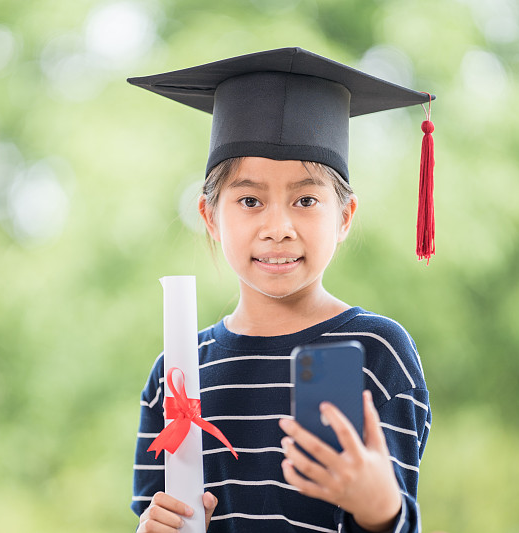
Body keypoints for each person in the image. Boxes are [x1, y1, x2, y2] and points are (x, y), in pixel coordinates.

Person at [128, 47, 432, 533]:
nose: (278, 227)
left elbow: (396, 519)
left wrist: (380, 508)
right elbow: (153, 511)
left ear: (345, 216)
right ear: (210, 217)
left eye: (306, 199)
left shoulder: (377, 353)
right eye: (249, 200)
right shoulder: (179, 373)